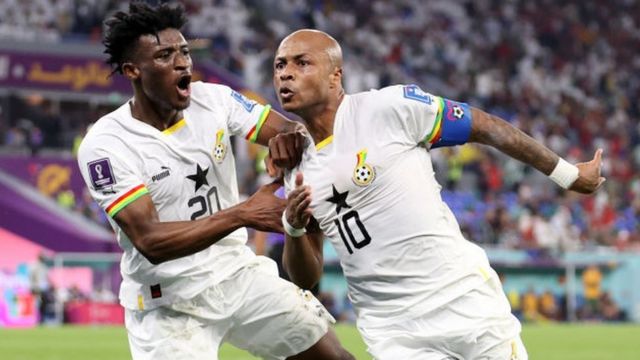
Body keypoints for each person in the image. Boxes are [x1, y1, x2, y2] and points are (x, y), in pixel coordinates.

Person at [272, 29, 605, 360]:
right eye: (279, 65)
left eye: (302, 63)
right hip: (393, 330)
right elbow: (307, 277)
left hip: (461, 300)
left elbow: (483, 125)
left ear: (335, 77)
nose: (286, 73)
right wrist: (294, 228)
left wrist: (568, 175)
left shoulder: (388, 108)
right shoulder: (297, 165)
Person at [77, 5, 353, 360]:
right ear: (133, 70)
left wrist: (291, 139)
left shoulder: (215, 100)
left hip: (235, 273)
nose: (183, 64)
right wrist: (242, 215)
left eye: (185, 52)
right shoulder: (106, 144)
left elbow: (292, 129)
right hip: (169, 303)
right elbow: (150, 240)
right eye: (165, 56)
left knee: (336, 358)